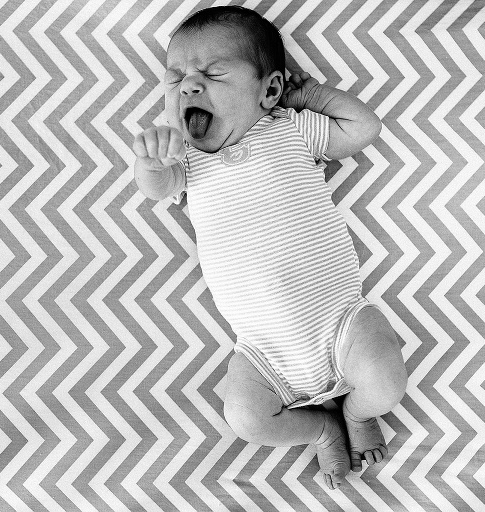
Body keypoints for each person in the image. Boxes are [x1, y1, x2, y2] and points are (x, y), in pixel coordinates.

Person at [132, 6, 407, 490]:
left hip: (340, 321)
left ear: (271, 90)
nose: (189, 86)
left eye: (213, 74)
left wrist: (313, 96)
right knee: (245, 418)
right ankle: (321, 429)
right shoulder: (186, 162)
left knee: (385, 383)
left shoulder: (290, 130)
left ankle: (357, 412)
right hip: (263, 352)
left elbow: (364, 127)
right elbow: (156, 188)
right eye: (174, 79)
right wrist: (151, 163)